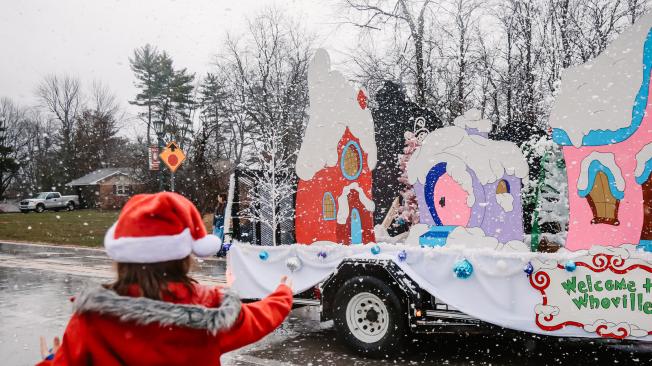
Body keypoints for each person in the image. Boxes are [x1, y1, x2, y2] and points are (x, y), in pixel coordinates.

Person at [37, 192, 293, 366]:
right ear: (185, 256)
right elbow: (261, 317)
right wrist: (284, 293)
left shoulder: (91, 319)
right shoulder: (211, 311)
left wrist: (51, 360)